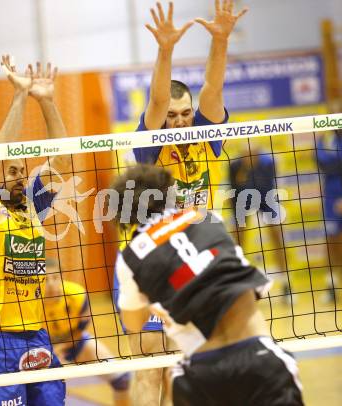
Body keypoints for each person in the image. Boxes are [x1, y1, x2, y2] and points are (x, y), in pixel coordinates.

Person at [113, 1, 247, 403]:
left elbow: (213, 89)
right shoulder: (150, 147)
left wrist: (220, 40)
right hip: (153, 264)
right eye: (173, 116)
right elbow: (156, 102)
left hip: (197, 261)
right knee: (153, 366)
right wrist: (165, 50)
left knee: (192, 368)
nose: (181, 121)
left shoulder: (208, 134)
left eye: (186, 114)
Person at [112, 163, 304, 406]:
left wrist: (155, 297)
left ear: (125, 214)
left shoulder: (131, 257)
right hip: (258, 357)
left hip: (201, 375)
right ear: (169, 193)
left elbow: (133, 323)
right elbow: (247, 282)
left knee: (169, 374)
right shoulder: (207, 219)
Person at [0, 55, 70, 406]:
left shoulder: (30, 205)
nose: (20, 175)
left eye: (21, 169)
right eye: (12, 171)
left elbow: (62, 158)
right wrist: (20, 97)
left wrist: (48, 102)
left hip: (37, 336)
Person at [43, 258, 131, 406]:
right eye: (45, 279)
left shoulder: (77, 294)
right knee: (36, 390)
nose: (51, 284)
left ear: (62, 278)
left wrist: (61, 348)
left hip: (74, 341)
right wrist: (51, 352)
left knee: (122, 379)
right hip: (41, 349)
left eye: (55, 277)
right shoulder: (30, 302)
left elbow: (80, 329)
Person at [229, 146, 292, 303]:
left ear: (258, 154)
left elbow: (269, 188)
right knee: (237, 242)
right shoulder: (235, 165)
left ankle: (286, 284)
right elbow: (234, 190)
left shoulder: (268, 162)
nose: (250, 157)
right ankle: (236, 286)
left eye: (253, 155)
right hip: (242, 200)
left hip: (266, 198)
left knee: (277, 235)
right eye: (247, 155)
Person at [317, 101, 342, 303]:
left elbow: (331, 162)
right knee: (331, 240)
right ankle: (331, 284)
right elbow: (321, 160)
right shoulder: (325, 138)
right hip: (331, 196)